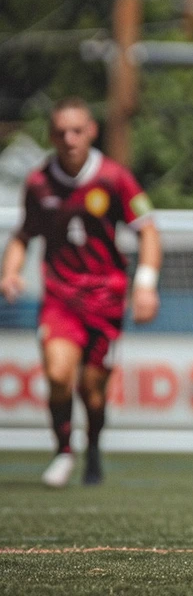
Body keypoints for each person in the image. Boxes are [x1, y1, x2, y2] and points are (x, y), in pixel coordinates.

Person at [0, 97, 161, 488]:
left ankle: (92, 449)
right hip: (60, 298)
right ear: (51, 136)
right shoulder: (39, 183)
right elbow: (23, 234)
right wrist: (10, 272)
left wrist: (144, 287)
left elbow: (149, 231)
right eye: (60, 132)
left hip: (106, 300)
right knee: (57, 374)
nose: (69, 139)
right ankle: (63, 451)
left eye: (76, 130)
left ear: (91, 131)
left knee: (93, 391)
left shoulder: (114, 178)